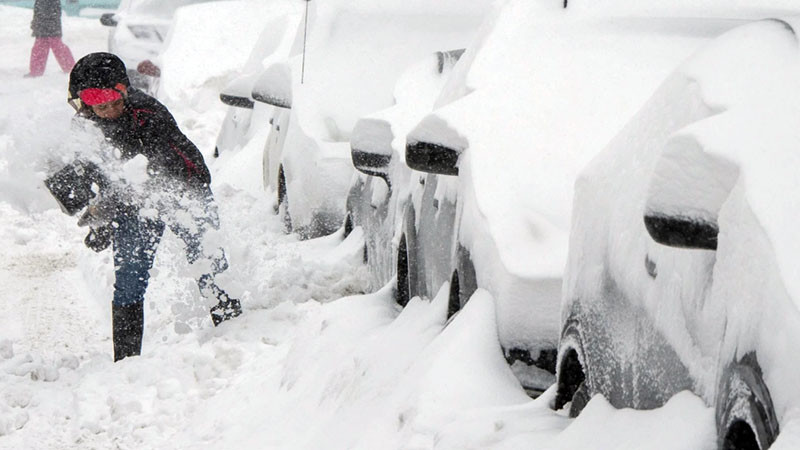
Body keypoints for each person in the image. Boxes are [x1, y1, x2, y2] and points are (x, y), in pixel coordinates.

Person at [65, 52, 242, 362]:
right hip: (131, 204)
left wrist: (111, 208)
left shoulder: (147, 114)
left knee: (206, 261)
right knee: (130, 276)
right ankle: (127, 362)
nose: (106, 110)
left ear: (124, 91)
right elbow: (91, 178)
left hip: (182, 190)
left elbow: (147, 172)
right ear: (82, 102)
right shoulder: (84, 128)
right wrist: (98, 217)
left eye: (112, 101)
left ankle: (236, 337)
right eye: (97, 103)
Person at [27, 0, 76, 77]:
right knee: (43, 42)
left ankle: (70, 68)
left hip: (49, 10)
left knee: (51, 42)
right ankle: (69, 67)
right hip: (45, 10)